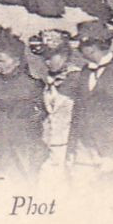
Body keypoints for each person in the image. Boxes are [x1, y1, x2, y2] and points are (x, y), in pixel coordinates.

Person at [68, 18, 113, 180]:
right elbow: (78, 113)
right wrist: (72, 149)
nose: (78, 49)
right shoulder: (85, 72)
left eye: (81, 44)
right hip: (88, 154)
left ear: (92, 47)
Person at [0, 26, 47, 180]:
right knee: (1, 175)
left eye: (2, 61)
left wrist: (28, 122)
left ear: (16, 61)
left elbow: (44, 110)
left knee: (24, 178)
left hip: (26, 141)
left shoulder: (32, 84)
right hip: (3, 136)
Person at [32, 28, 85, 185]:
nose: (47, 62)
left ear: (64, 55)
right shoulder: (48, 79)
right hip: (47, 143)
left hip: (69, 147)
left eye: (51, 57)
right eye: (44, 58)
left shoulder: (78, 79)